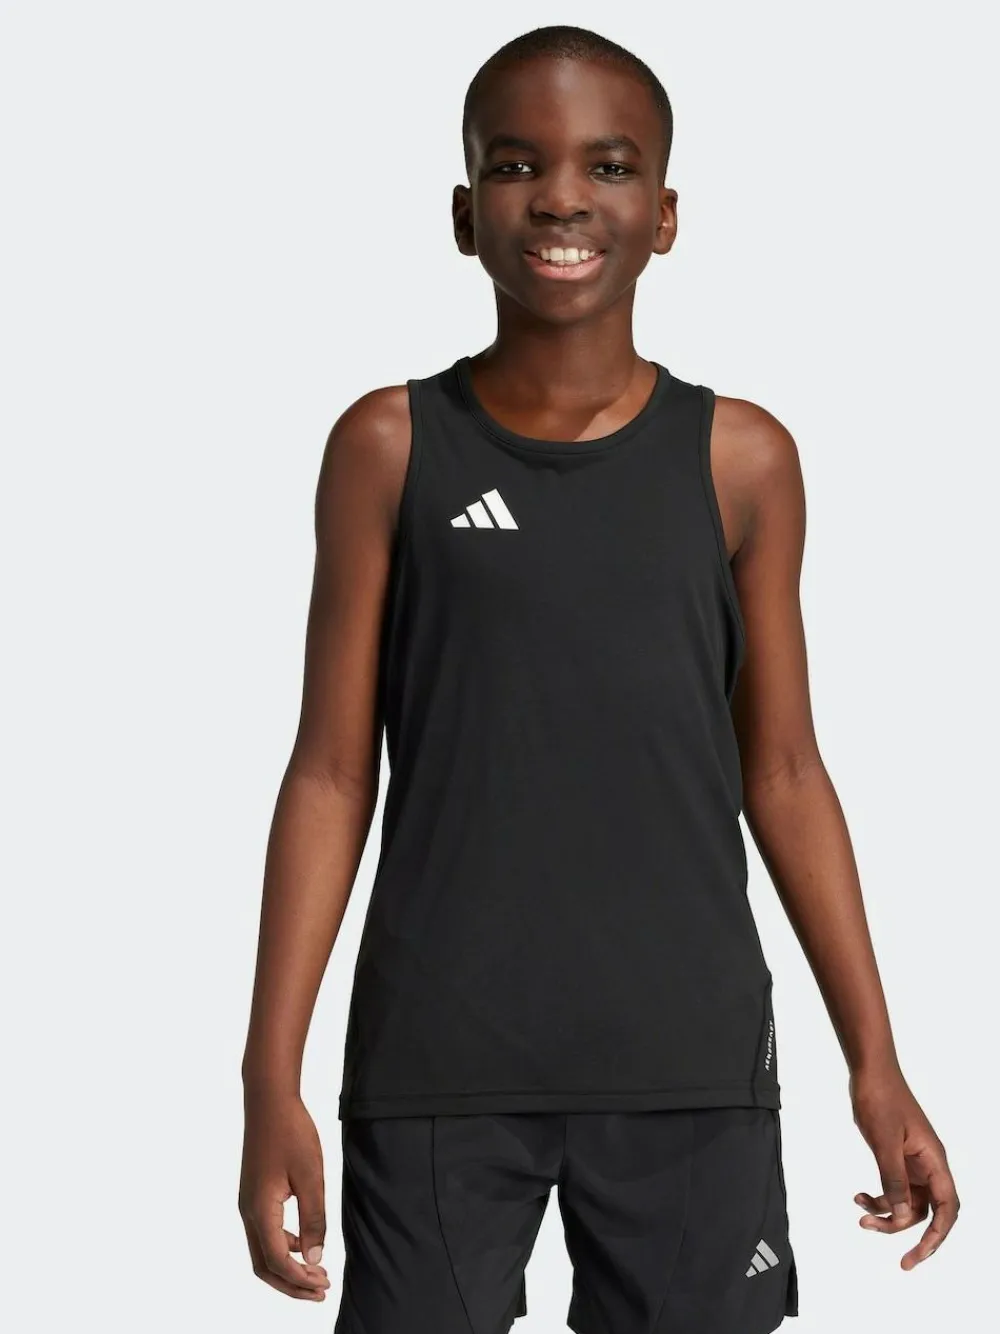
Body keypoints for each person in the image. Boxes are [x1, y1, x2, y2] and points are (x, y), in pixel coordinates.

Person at [238, 23, 960, 1334]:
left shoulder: (741, 460)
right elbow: (333, 773)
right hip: (440, 1063)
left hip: (690, 1068)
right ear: (465, 212)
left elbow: (784, 770)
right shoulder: (390, 447)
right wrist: (266, 1075)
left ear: (665, 214)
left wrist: (878, 1061)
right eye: (517, 165)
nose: (562, 196)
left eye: (609, 166)